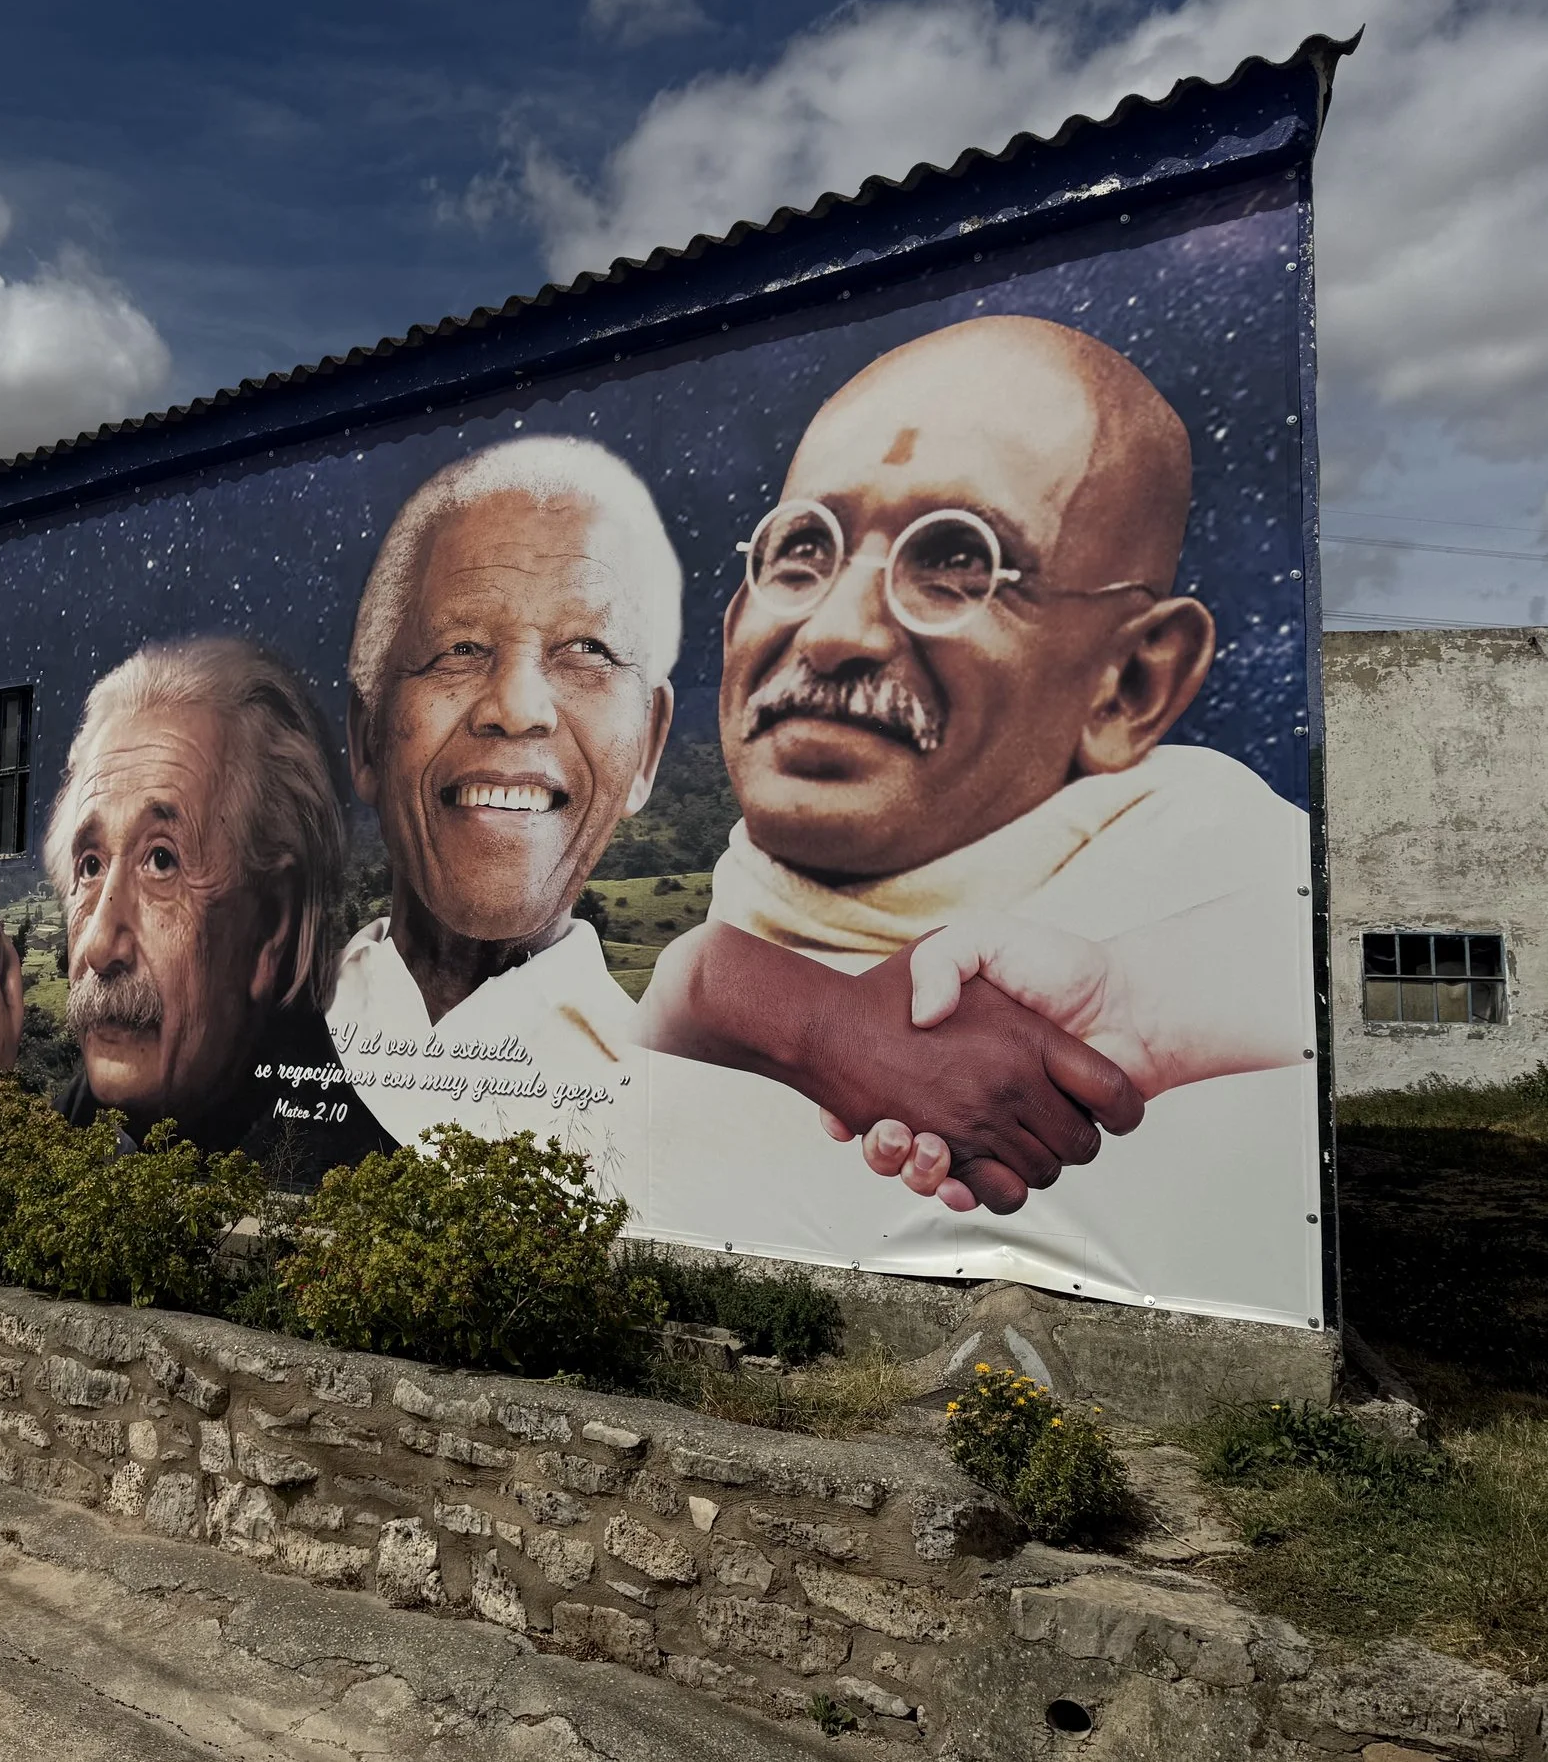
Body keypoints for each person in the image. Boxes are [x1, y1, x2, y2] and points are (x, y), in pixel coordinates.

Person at [331, 433, 1141, 1192]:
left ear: (647, 748)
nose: (518, 707)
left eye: (588, 651)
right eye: (459, 649)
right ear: (367, 739)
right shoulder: (272, 1027)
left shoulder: (712, 1092)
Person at [639, 314, 1311, 1211]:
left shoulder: (1238, 898)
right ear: (734, 625)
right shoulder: (744, 904)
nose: (834, 631)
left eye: (958, 564)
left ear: (1130, 685)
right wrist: (723, 984)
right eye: (801, 553)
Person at [0, 637, 379, 1184]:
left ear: (270, 927)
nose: (97, 946)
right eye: (90, 866)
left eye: (161, 860)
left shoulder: (338, 1187)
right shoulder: (87, 1116)